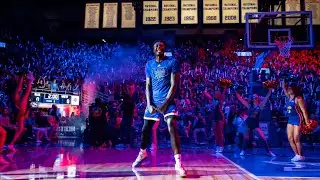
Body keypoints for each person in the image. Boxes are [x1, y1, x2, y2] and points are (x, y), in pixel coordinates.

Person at [132, 41, 186, 176]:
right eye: (156, 45)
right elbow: (147, 86)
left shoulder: (172, 62)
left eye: (161, 45)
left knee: (171, 125)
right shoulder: (149, 64)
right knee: (145, 130)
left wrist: (166, 103)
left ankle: (178, 163)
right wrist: (149, 104)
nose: (158, 47)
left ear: (164, 48)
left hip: (168, 101)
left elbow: (174, 84)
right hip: (154, 102)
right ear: (153, 49)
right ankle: (143, 153)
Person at [235, 89, 276, 156]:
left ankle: (269, 152)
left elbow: (266, 98)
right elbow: (240, 99)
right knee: (246, 137)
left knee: (263, 138)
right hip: (248, 123)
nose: (254, 97)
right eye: (253, 97)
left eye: (256, 97)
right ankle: (243, 151)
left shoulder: (260, 106)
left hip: (256, 124)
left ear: (257, 98)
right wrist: (236, 92)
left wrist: (270, 90)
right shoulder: (249, 105)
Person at [282, 81, 309, 161]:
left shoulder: (298, 98)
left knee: (296, 138)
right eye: (288, 88)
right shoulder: (288, 97)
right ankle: (297, 155)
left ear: (294, 90)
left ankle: (301, 155)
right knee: (290, 138)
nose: (288, 89)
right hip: (290, 120)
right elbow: (284, 88)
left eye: (290, 88)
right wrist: (283, 83)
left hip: (298, 119)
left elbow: (304, 111)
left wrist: (307, 122)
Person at [203, 87, 227, 153]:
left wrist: (224, 89)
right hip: (214, 116)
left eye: (217, 92)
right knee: (215, 132)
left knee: (220, 132)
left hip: (219, 116)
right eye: (215, 92)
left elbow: (223, 94)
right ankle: (217, 145)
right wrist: (205, 89)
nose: (216, 93)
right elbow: (205, 94)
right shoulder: (212, 99)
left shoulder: (220, 100)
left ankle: (221, 146)